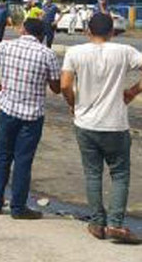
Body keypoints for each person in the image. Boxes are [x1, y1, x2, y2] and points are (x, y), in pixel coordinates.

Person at [60, 13, 142, 243]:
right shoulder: (124, 51)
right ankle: (115, 224)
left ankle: (97, 223)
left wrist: (73, 104)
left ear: (88, 31)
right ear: (112, 32)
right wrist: (133, 91)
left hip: (85, 123)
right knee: (120, 174)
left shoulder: (75, 52)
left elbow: (65, 85)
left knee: (92, 174)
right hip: (115, 124)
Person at [0, 18, 61, 219]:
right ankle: (18, 207)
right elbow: (56, 88)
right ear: (42, 35)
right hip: (32, 116)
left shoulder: (6, 46)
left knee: (2, 157)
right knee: (23, 161)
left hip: (8, 110)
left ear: (23, 30)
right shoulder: (47, 54)